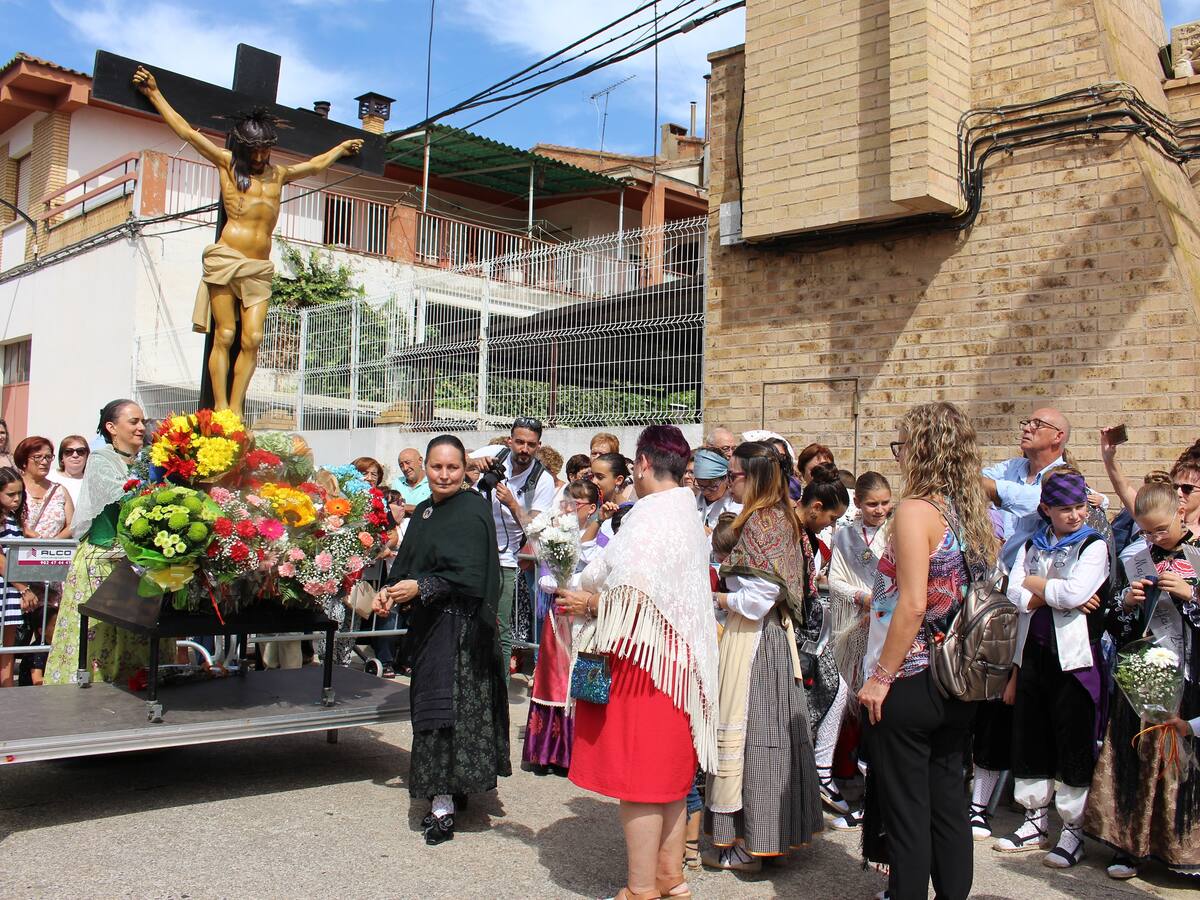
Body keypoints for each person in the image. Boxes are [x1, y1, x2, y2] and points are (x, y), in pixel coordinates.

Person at [132, 66, 363, 415]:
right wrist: (154, 93)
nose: (258, 157)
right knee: (224, 334)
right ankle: (223, 407)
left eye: (264, 150)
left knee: (252, 338)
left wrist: (341, 149)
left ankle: (237, 407)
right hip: (227, 257)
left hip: (258, 266)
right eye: (253, 150)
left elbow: (315, 166)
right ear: (243, 146)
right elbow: (187, 133)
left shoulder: (279, 174)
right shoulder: (228, 164)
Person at [554, 425, 718, 900]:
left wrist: (589, 603)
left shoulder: (651, 516)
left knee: (641, 781)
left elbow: (633, 593)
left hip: (643, 662)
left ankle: (641, 889)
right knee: (667, 778)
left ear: (643, 464)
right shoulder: (686, 512)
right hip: (675, 663)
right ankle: (671, 879)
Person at [858, 401, 997, 900]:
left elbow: (912, 605)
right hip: (959, 679)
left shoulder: (916, 511)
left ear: (920, 450)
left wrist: (880, 677)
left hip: (915, 675)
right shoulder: (970, 512)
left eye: (902, 446)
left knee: (907, 813)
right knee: (947, 804)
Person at [373, 434, 510, 846]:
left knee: (453, 711)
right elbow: (408, 564)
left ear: (465, 468)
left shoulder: (472, 509)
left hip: (463, 630)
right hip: (430, 628)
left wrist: (423, 588)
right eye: (437, 467)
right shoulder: (426, 513)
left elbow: (470, 575)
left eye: (452, 467)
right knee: (431, 709)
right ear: (426, 468)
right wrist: (391, 591)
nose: (444, 475)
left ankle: (445, 802)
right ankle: (444, 790)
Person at [704, 441, 823, 871]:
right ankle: (758, 836)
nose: (727, 480)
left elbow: (759, 598)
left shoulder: (764, 521)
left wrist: (716, 597)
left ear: (752, 476)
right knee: (761, 735)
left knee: (756, 735)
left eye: (733, 474)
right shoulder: (768, 517)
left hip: (758, 638)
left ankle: (751, 842)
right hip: (761, 637)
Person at [994, 468, 1110, 868]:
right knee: (1032, 737)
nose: (1075, 515)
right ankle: (1034, 821)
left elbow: (1076, 592)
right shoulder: (1034, 544)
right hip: (1034, 656)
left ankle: (1073, 831)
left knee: (1073, 742)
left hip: (1074, 660)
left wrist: (1038, 586)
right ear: (1046, 508)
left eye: (1080, 507)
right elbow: (1014, 592)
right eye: (1065, 509)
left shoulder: (1092, 546)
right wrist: (1049, 593)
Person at [1084, 481, 1200, 880]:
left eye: (1160, 529)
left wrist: (1192, 595)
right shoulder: (1137, 557)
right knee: (1136, 758)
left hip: (1188, 678)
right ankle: (1128, 846)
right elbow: (1115, 624)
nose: (1153, 537)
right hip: (1143, 677)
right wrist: (1127, 603)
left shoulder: (1198, 558)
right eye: (1146, 531)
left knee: (1178, 763)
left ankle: (1179, 850)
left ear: (1180, 515)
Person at [44, 400, 175, 686]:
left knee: (141, 636)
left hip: (142, 562)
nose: (141, 427)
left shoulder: (154, 458)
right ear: (112, 427)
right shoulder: (101, 459)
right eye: (133, 422)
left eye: (143, 422)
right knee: (100, 633)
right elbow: (127, 495)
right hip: (102, 561)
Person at [522, 479, 603, 775]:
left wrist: (578, 584)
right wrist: (562, 580)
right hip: (560, 616)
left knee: (579, 681)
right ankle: (547, 752)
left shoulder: (602, 541)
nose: (569, 508)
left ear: (591, 508)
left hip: (585, 618)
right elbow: (544, 578)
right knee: (553, 680)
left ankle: (578, 752)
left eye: (577, 504)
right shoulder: (555, 535)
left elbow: (602, 576)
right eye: (566, 502)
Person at [826, 472, 892, 829]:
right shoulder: (845, 535)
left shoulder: (897, 533)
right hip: (853, 624)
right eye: (872, 504)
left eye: (885, 502)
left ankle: (876, 789)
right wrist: (861, 597)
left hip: (886, 628)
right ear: (858, 504)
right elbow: (834, 579)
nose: (880, 510)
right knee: (850, 701)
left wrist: (881, 603)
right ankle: (848, 774)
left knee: (879, 706)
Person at [471, 417, 557, 682]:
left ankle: (499, 693)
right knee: (467, 620)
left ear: (538, 446)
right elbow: (452, 459)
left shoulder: (542, 480)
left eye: (531, 444)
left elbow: (536, 526)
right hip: (473, 552)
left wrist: (513, 505)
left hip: (505, 559)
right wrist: (473, 463)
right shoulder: (494, 454)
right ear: (510, 440)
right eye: (519, 442)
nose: (524, 449)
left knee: (500, 627)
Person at [794, 464, 851, 814]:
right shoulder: (789, 530)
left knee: (837, 690)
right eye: (830, 518)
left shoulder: (807, 536)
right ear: (816, 507)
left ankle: (820, 772)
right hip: (790, 634)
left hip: (809, 632)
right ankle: (817, 774)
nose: (831, 526)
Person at [16, 436, 76, 684]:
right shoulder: (14, 485)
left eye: (48, 457)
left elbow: (72, 524)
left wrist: (54, 541)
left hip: (52, 569)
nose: (44, 462)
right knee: (20, 630)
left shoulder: (58, 490)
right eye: (38, 457)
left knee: (49, 630)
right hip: (19, 570)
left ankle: (35, 676)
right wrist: (29, 535)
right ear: (24, 459)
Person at [0, 467, 32, 687]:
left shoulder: (13, 519)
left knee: (7, 646)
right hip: (7, 586)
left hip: (10, 590)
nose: (16, 499)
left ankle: (7, 688)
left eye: (19, 493)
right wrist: (24, 588)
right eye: (10, 494)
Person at [693, 449, 741, 532]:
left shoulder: (735, 504)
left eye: (712, 486)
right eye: (701, 486)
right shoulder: (694, 501)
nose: (706, 492)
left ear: (726, 478)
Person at [49, 435, 89, 506]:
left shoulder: (93, 481)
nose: (75, 455)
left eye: (80, 451)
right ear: (62, 457)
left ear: (87, 456)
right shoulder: (50, 477)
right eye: (69, 451)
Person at [392, 448, 432, 514]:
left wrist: (403, 507)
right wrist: (421, 508)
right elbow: (392, 508)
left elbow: (433, 509)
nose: (405, 468)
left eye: (408, 463)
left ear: (420, 461)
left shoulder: (432, 481)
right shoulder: (397, 483)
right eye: (401, 465)